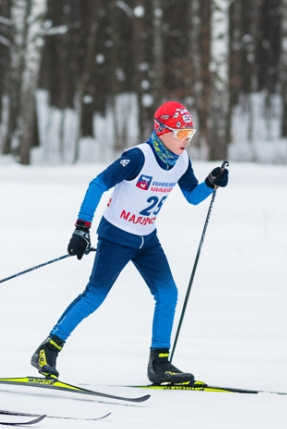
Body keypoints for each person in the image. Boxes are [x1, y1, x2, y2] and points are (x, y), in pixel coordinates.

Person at [31, 101, 228, 385]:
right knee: (95, 296)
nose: (186, 141)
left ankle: (159, 364)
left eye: (190, 134)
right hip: (117, 235)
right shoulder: (138, 157)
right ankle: (47, 350)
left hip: (147, 239)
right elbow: (97, 184)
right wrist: (82, 228)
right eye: (180, 134)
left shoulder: (181, 161)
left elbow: (193, 196)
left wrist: (211, 182)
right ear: (161, 132)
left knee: (168, 293)